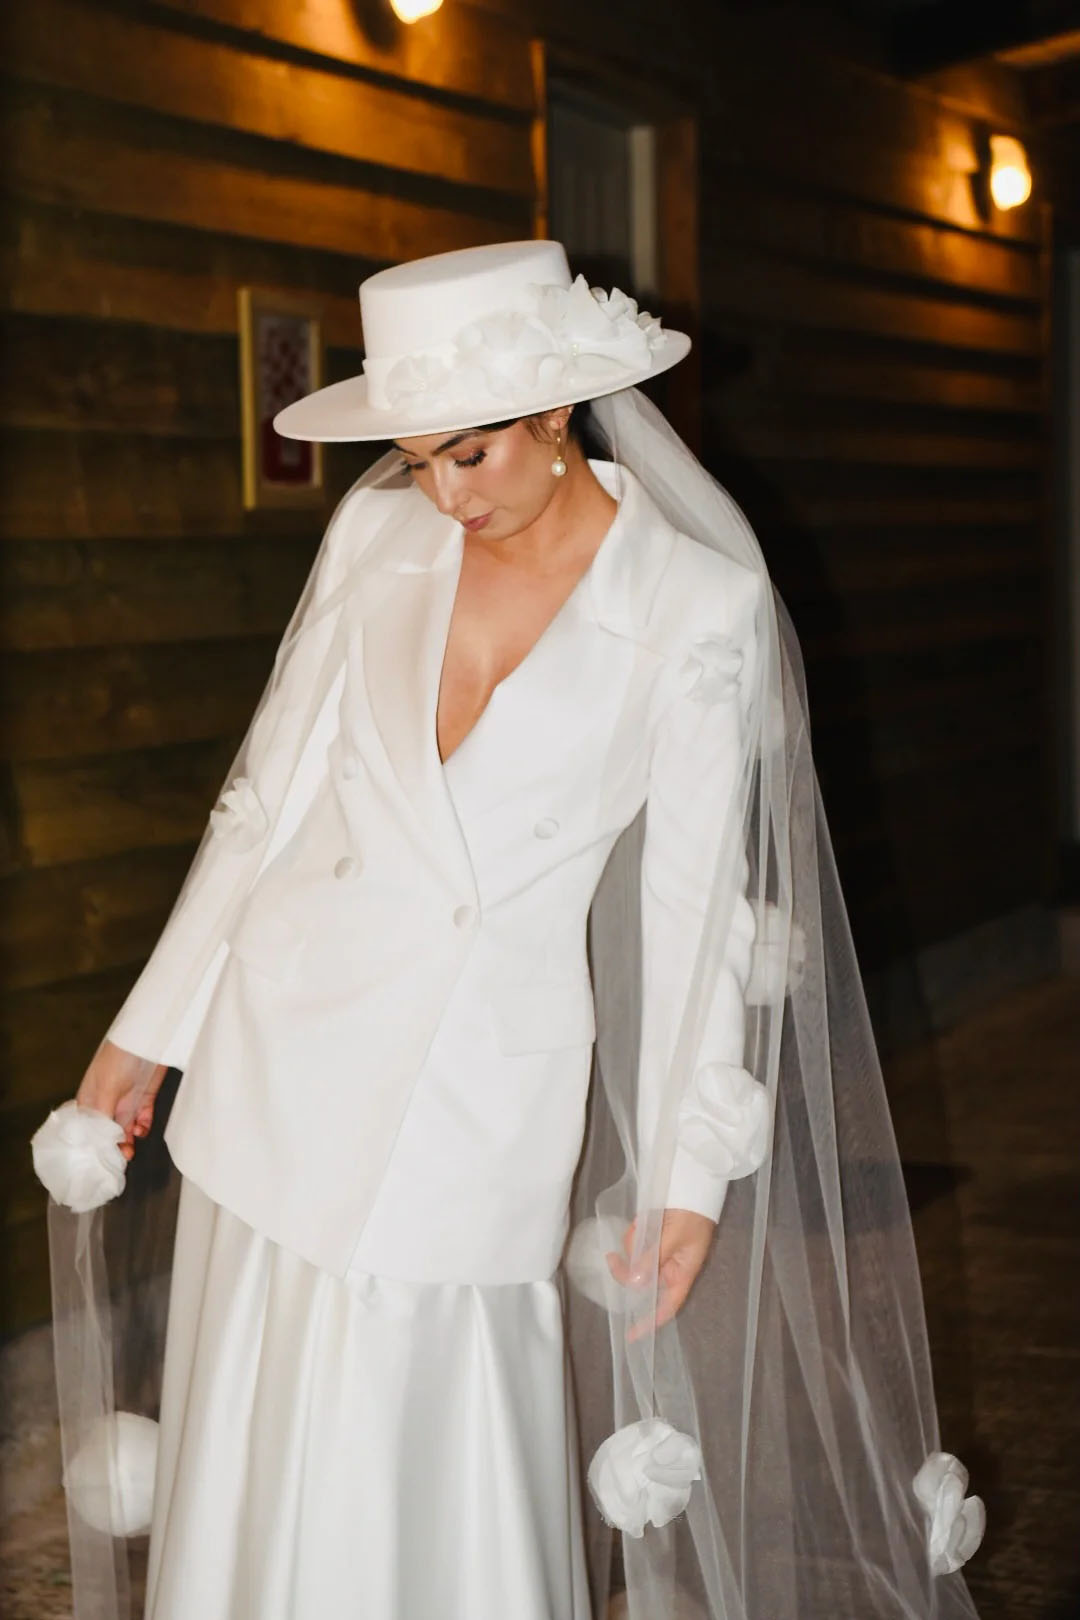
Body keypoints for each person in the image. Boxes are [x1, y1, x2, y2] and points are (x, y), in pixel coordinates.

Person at [31, 239, 985, 1620]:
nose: (441, 493)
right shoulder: (377, 538)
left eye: (467, 454)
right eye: (418, 459)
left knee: (434, 1441)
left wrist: (686, 1173)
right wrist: (147, 1028)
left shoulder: (696, 606)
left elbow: (695, 907)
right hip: (280, 1055)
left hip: (475, 1098)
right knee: (258, 1417)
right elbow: (267, 803)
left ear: (555, 412)